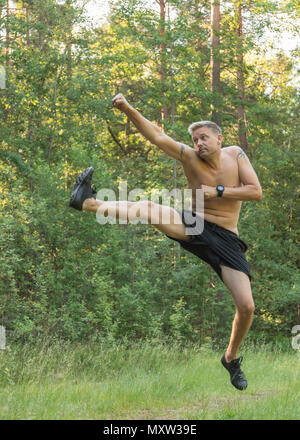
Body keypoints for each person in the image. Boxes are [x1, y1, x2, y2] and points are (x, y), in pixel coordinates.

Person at [69, 93, 262, 391]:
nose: (199, 143)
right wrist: (126, 108)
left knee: (246, 306)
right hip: (195, 224)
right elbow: (158, 137)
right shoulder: (188, 157)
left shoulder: (235, 155)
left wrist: (219, 191)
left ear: (219, 137)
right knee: (148, 209)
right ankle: (88, 203)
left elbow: (255, 191)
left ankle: (230, 358)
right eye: (195, 139)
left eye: (204, 137)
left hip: (226, 238)